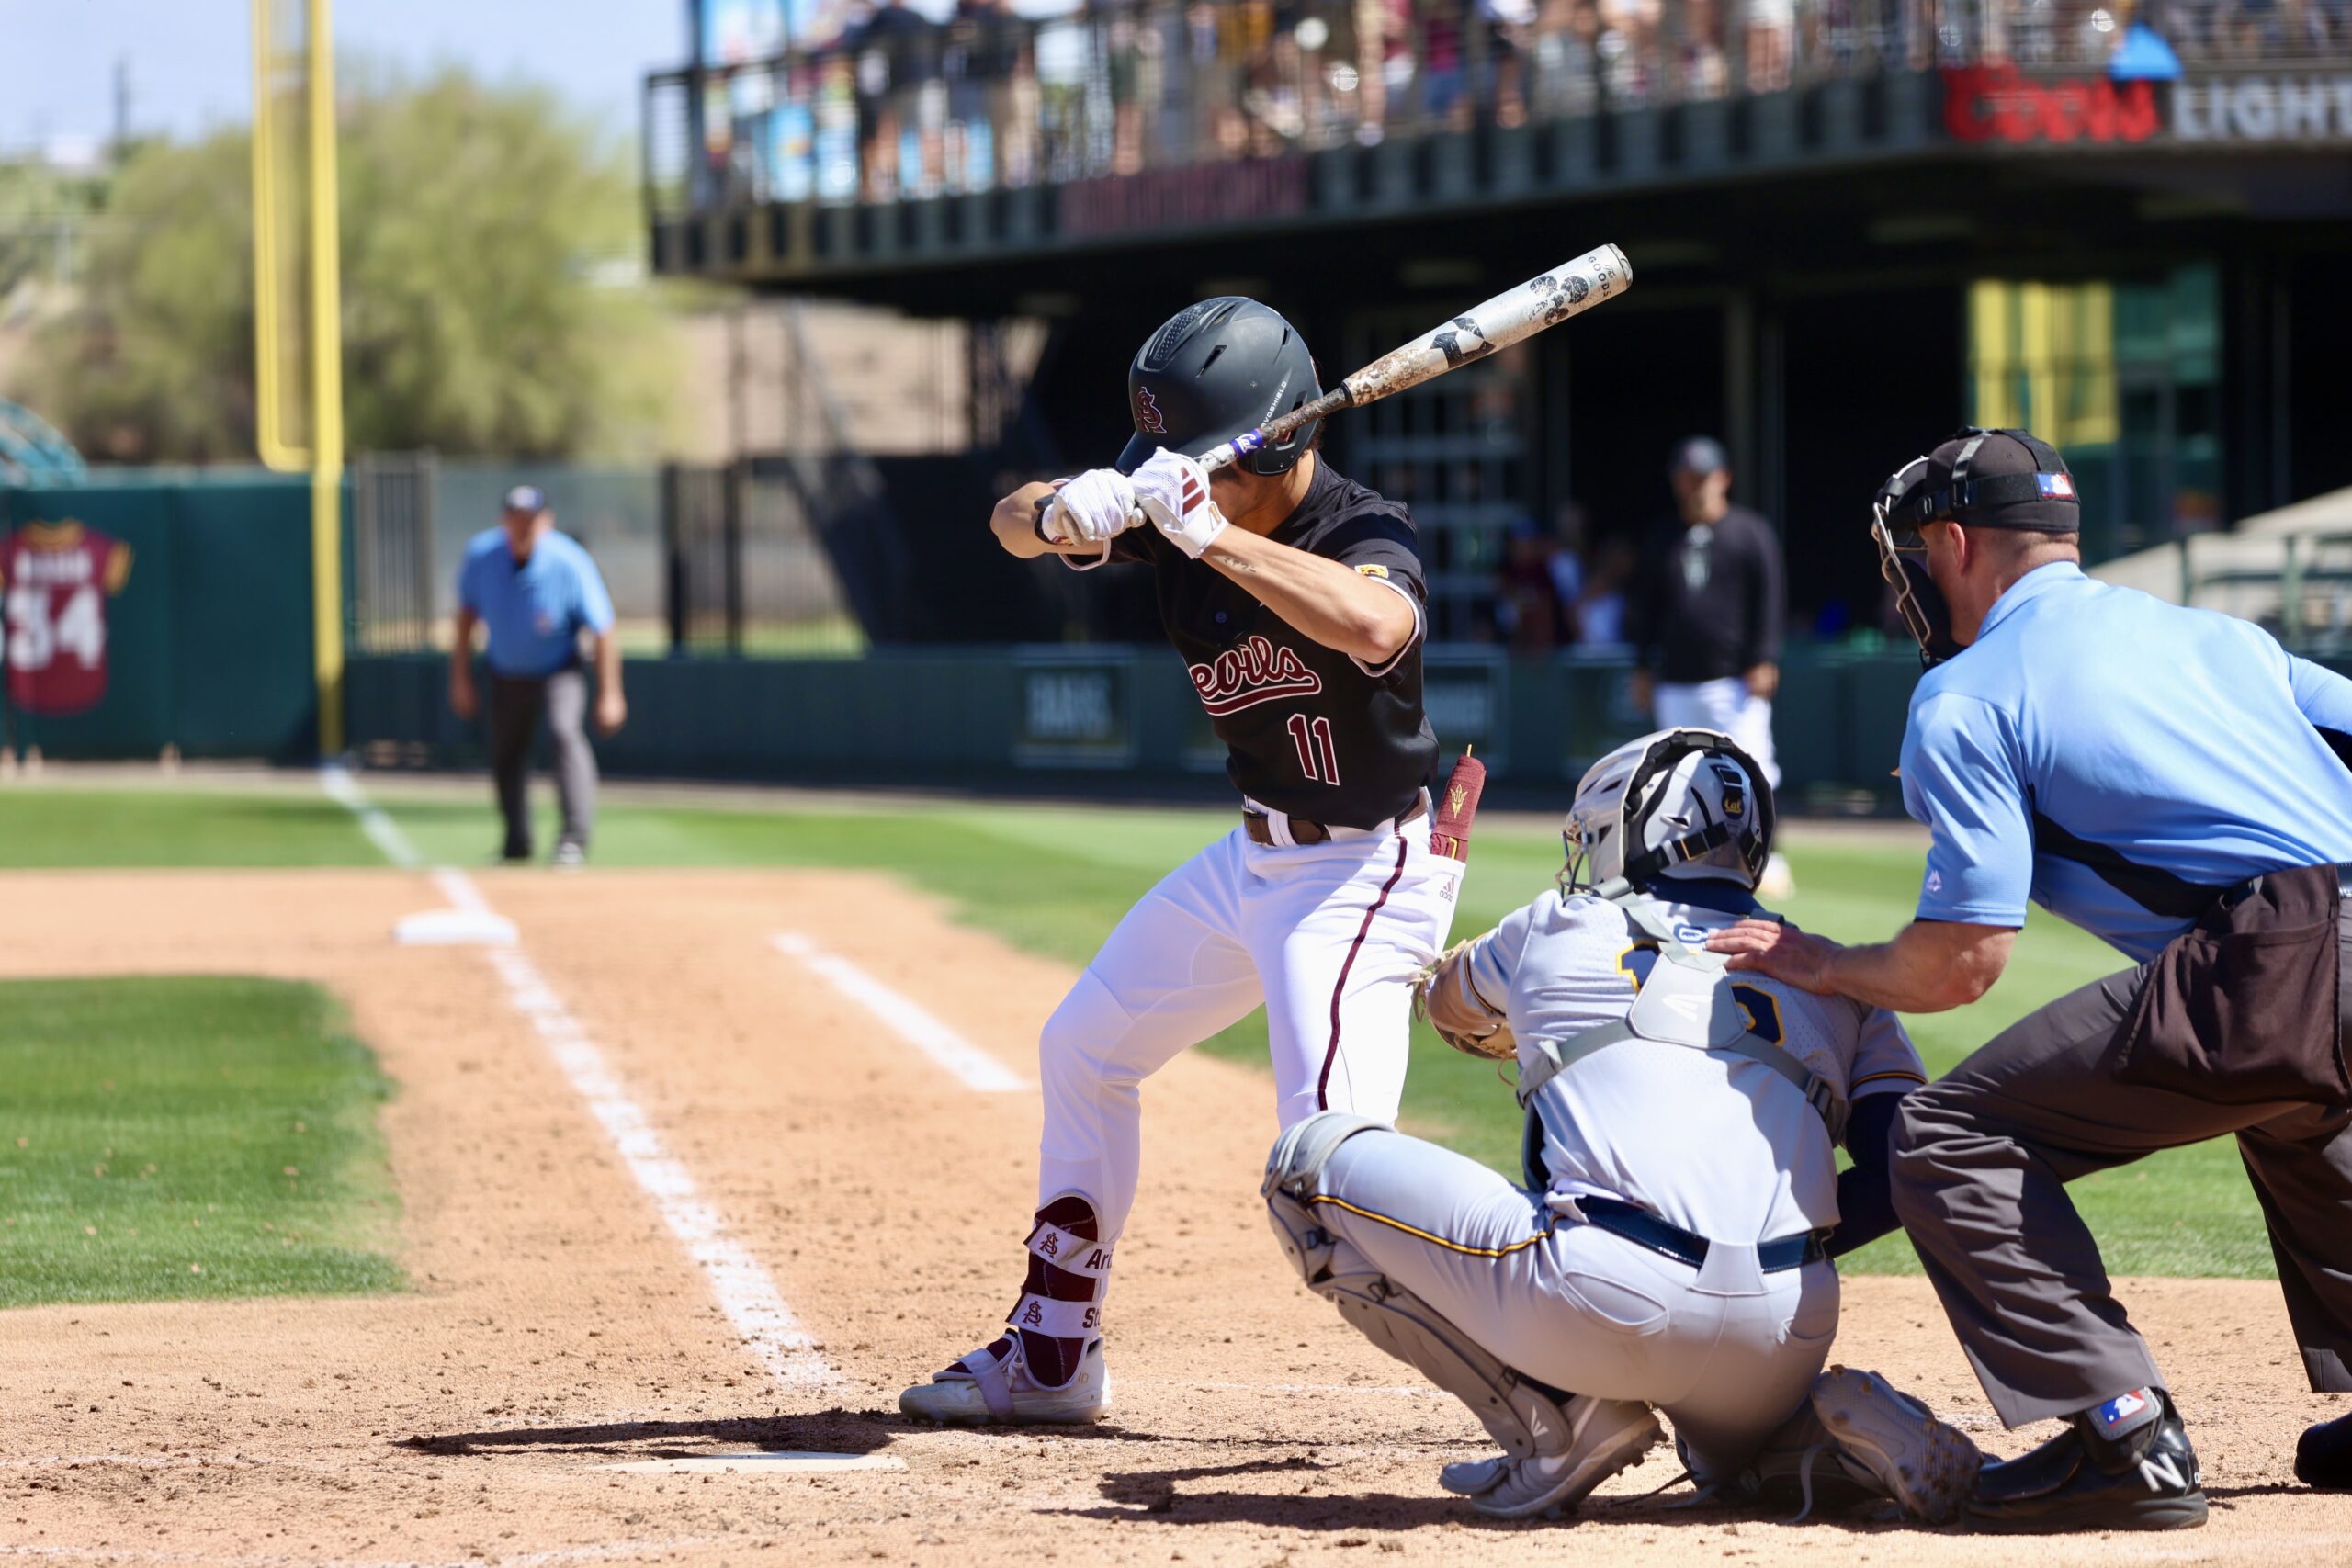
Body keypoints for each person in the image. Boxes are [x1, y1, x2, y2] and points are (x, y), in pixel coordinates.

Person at [1709, 427, 2352, 1532]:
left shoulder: (1964, 697)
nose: (1908, 573)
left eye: (1915, 549)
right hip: (2316, 941)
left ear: (1954, 543)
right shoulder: (2217, 636)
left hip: (2273, 958)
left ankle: (2123, 1434)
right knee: (2296, 1107)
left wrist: (1830, 965)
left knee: (1948, 1136)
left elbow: (1963, 960)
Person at [899, 296, 1462, 1425]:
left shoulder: (1360, 527)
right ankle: (1053, 1352)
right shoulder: (1176, 492)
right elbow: (1006, 519)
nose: (1165, 481)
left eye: (1186, 462)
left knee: (1330, 1183)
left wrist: (1212, 536)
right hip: (1251, 859)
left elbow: (1377, 628)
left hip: (1361, 874)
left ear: (1282, 442)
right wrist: (1066, 510)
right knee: (1085, 1048)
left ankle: (1558, 1361)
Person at [1263, 728, 1970, 1520]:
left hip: (1603, 1295)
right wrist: (1790, 1241)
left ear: (1628, 831)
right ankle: (1809, 1433)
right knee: (1722, 1460)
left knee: (1303, 1165)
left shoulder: (1551, 924)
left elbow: (1446, 1005)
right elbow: (1908, 1162)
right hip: (1787, 1326)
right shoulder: (1834, 972)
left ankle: (1559, 1416)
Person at [1628, 435, 1792, 894]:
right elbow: (1646, 608)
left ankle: (1771, 854)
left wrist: (1764, 657)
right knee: (1677, 772)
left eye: (1702, 477)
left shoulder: (1748, 532)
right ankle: (1683, 855)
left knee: (1754, 764)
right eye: (1686, 477)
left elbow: (1770, 600)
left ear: (1723, 478)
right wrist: (1642, 665)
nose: (1693, 486)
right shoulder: (1664, 537)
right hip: (1676, 680)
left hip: (1734, 681)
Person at [449, 485, 626, 867]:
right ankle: (516, 842)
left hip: (557, 670)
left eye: (531, 519)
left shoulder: (569, 561)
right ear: (504, 521)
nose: (523, 526)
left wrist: (611, 692)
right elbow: (466, 616)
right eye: (516, 518)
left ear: (547, 522)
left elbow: (603, 627)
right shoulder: (482, 555)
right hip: (504, 671)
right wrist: (460, 677)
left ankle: (573, 840)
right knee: (506, 753)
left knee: (564, 733)